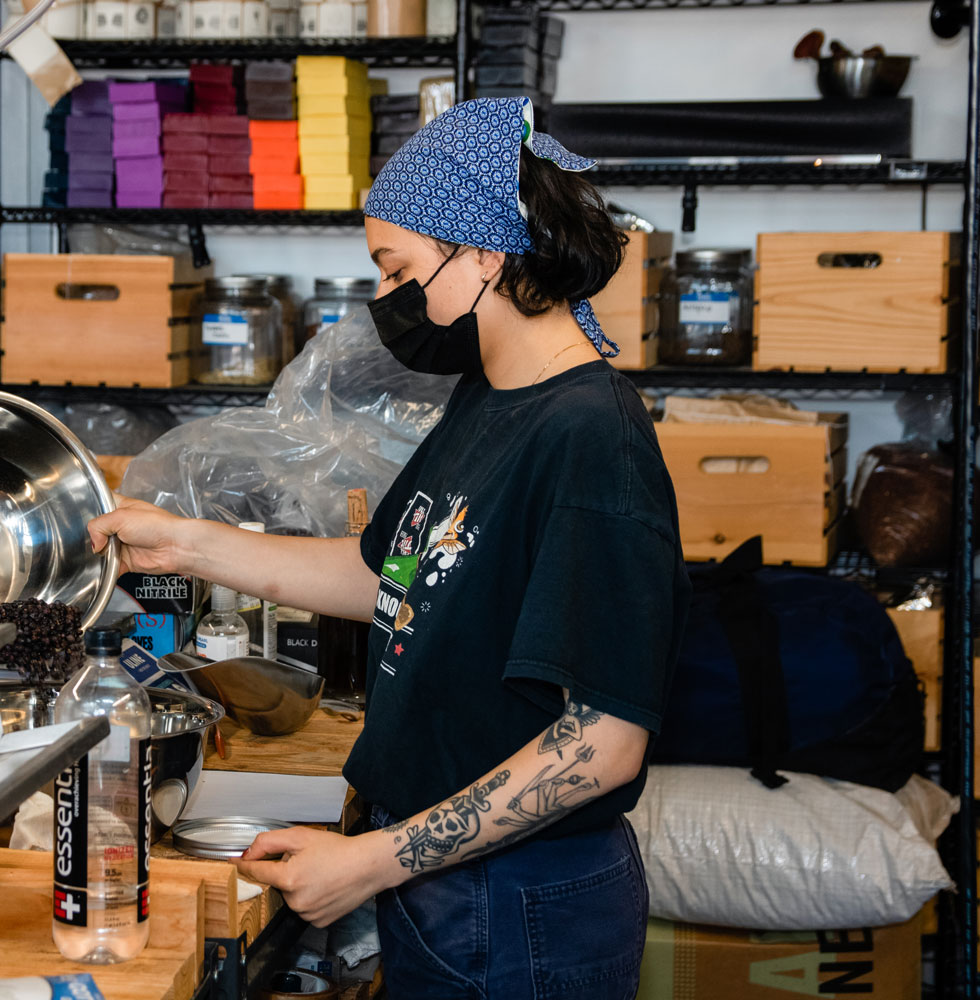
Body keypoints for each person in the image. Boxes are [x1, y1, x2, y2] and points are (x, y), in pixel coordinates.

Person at [87, 97, 691, 999]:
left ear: (483, 253)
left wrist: (374, 861)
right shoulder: (492, 398)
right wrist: (181, 543)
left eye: (395, 267)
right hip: (448, 886)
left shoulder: (589, 439)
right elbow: (387, 575)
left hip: (521, 907)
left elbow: (600, 743)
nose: (384, 299)